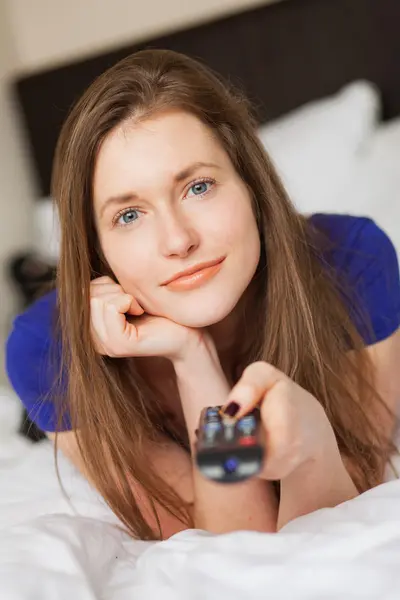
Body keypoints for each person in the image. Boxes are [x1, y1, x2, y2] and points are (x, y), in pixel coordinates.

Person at [6, 49, 400, 541]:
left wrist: (314, 446)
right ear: (98, 249)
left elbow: (331, 530)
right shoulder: (45, 348)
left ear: (250, 184)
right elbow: (229, 544)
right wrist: (193, 357)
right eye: (128, 215)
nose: (178, 241)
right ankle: (35, 275)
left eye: (198, 186)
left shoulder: (355, 261)